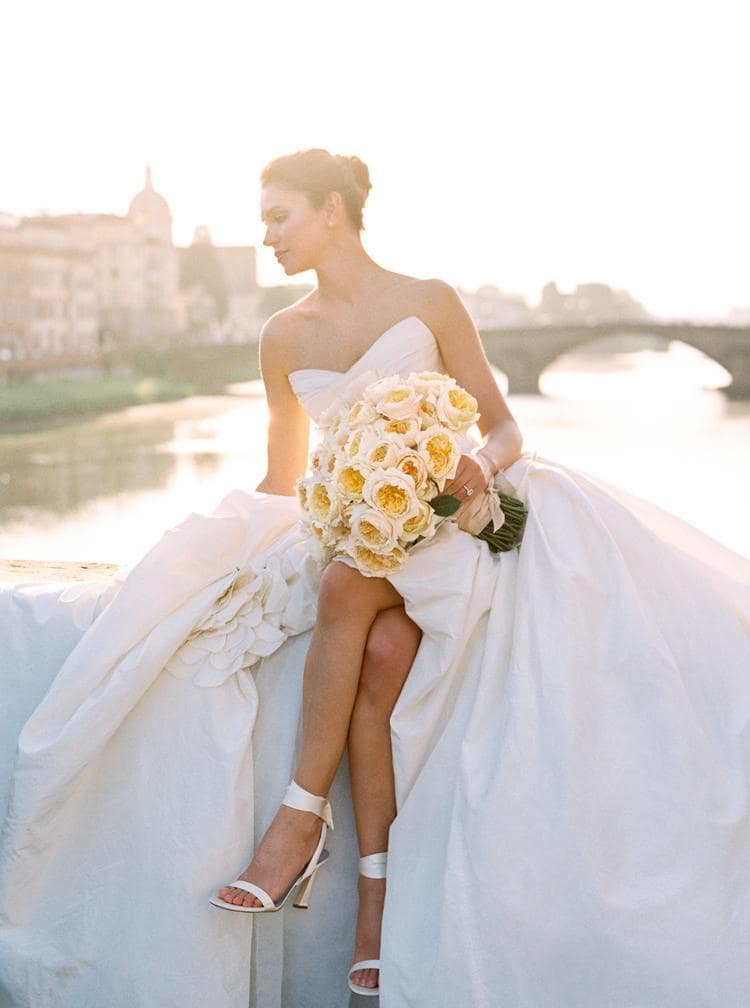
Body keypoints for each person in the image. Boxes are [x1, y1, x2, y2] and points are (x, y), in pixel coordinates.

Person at [1, 148, 749, 1008]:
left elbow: (505, 429)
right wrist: (258, 539)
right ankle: (374, 907)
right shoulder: (282, 336)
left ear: (332, 210)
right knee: (382, 649)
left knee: (345, 591)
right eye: (263, 222)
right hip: (371, 534)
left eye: (279, 217)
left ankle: (297, 822)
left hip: (462, 517)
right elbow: (284, 477)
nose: (268, 236)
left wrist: (470, 466)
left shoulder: (429, 300)